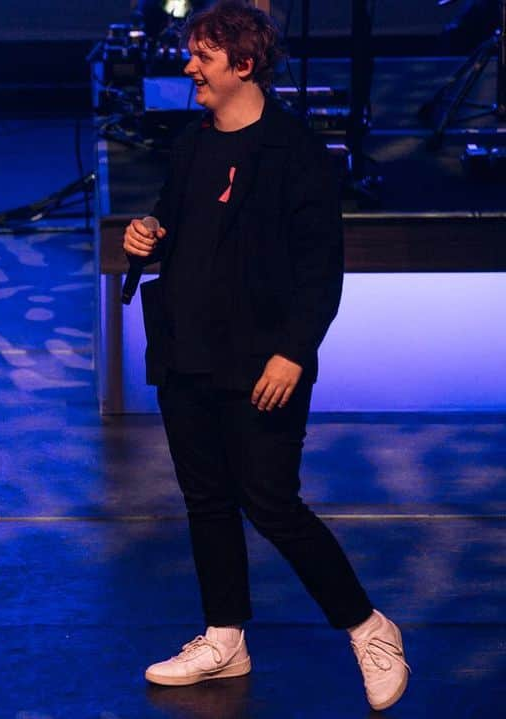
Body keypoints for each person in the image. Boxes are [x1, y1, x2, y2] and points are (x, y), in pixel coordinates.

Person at [122, 1, 409, 711]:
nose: (188, 66)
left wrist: (291, 351)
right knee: (207, 500)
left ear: (243, 65)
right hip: (187, 353)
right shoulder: (191, 144)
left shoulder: (294, 155)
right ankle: (224, 634)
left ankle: (369, 627)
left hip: (260, 361)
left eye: (203, 57)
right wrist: (146, 231)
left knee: (272, 503)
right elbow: (171, 217)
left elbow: (321, 271)